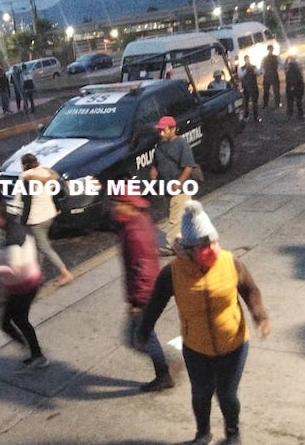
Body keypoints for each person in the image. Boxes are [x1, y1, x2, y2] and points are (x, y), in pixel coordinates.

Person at [138, 200, 270, 445]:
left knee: (227, 394)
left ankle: (233, 434)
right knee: (201, 394)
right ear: (188, 250)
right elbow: (155, 304)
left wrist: (260, 316)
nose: (212, 249)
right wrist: (144, 329)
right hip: (196, 347)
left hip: (234, 343)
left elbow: (251, 290)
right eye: (203, 246)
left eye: (213, 242)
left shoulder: (231, 262)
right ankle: (202, 434)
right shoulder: (173, 273)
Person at [0, 201, 48, 371]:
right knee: (11, 321)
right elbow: (1, 253)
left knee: (14, 320)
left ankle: (35, 353)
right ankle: (33, 351)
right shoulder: (6, 232)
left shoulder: (14, 238)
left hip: (26, 285)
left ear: (1, 218)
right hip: (18, 287)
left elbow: (14, 269)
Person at [111, 193, 173, 392]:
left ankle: (165, 371)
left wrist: (137, 302)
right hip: (150, 291)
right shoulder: (140, 220)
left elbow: (143, 269)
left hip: (145, 294)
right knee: (144, 334)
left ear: (129, 205)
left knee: (137, 337)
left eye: (118, 204)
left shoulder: (135, 233)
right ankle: (165, 368)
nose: (115, 208)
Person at [16, 153, 74, 287]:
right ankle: (37, 275)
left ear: (24, 165)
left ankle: (65, 273)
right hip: (49, 215)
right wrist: (57, 206)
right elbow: (53, 191)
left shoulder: (25, 177)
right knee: (39, 246)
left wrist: (23, 220)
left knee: (44, 247)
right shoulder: (46, 172)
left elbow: (25, 201)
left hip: (36, 218)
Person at [150, 116, 196, 246]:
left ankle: (171, 245)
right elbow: (156, 162)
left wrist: (179, 183)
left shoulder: (181, 144)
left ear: (173, 129)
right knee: (176, 216)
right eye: (159, 130)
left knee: (176, 218)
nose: (161, 133)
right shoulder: (160, 145)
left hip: (181, 188)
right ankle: (186, 242)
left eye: (163, 130)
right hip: (167, 188)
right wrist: (154, 171)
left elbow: (188, 166)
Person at [237, 55, 260, 122]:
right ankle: (246, 116)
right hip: (246, 88)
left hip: (253, 87)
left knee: (254, 103)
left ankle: (256, 117)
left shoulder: (253, 67)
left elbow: (258, 73)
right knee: (246, 103)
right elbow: (240, 76)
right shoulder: (241, 69)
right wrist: (246, 69)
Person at [284, 55, 305, 120]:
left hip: (290, 86)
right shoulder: (298, 68)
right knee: (299, 101)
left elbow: (284, 69)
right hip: (299, 86)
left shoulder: (288, 69)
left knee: (290, 101)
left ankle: (290, 115)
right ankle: (300, 114)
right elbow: (301, 76)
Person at [260, 44, 281, 108]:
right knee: (273, 91)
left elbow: (261, 67)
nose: (270, 51)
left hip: (269, 75)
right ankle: (273, 104)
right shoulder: (275, 57)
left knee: (273, 91)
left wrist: (265, 72)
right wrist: (276, 71)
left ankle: (268, 104)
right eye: (270, 49)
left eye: (270, 49)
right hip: (271, 75)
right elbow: (280, 65)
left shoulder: (266, 58)